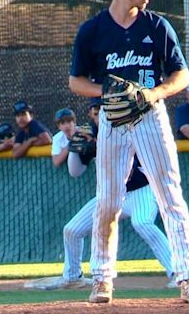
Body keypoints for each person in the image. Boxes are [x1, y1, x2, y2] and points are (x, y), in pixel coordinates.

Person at [69, 0, 189, 304]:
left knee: (170, 197)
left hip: (151, 116)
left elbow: (182, 75)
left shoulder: (157, 26)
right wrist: (108, 92)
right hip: (114, 120)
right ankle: (102, 280)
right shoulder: (92, 30)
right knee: (109, 202)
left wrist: (153, 93)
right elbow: (76, 81)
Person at [30, 107, 175, 291]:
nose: (99, 115)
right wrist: (74, 149)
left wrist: (95, 144)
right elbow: (75, 172)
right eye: (95, 112)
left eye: (101, 110)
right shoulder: (89, 132)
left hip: (141, 190)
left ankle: (176, 272)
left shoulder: (128, 125)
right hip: (110, 194)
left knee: (142, 222)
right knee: (72, 230)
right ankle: (73, 277)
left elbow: (116, 149)